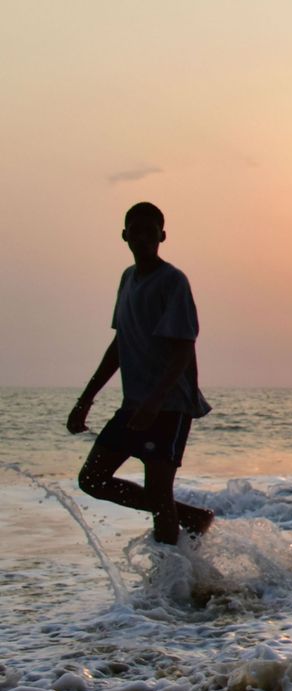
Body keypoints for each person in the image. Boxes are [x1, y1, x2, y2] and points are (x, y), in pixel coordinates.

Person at [66, 202, 215, 545]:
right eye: (137, 231)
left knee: (159, 493)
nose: (144, 238)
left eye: (152, 232)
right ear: (125, 236)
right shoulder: (127, 279)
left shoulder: (172, 281)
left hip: (170, 404)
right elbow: (120, 343)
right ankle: (191, 516)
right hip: (135, 404)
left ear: (163, 236)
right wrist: (85, 399)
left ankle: (169, 592)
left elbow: (183, 348)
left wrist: (155, 400)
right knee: (93, 478)